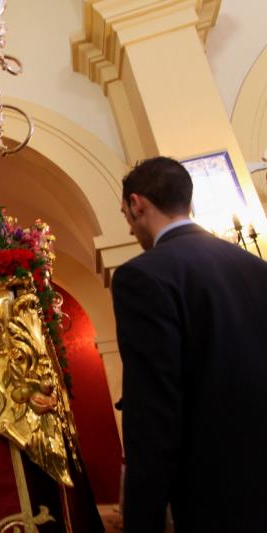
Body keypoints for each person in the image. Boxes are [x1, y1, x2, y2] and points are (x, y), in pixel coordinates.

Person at [111, 156, 267, 532]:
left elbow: (153, 411)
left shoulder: (142, 277)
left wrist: (141, 520)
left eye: (126, 216)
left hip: (218, 496)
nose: (131, 230)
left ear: (137, 204)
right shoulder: (257, 267)